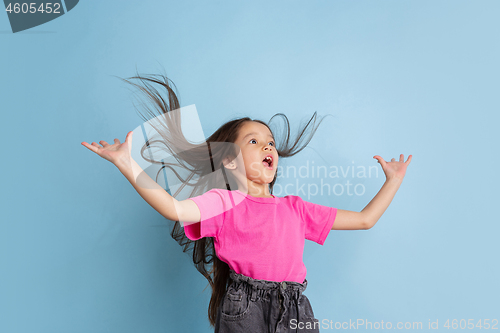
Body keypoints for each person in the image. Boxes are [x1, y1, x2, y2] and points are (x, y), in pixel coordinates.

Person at [81, 73, 412, 333]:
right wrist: (127, 163)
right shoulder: (224, 204)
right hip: (245, 308)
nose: (268, 147)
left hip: (295, 308)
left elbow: (366, 219)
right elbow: (175, 208)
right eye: (254, 141)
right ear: (229, 161)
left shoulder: (296, 209)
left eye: (270, 142)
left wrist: (393, 180)